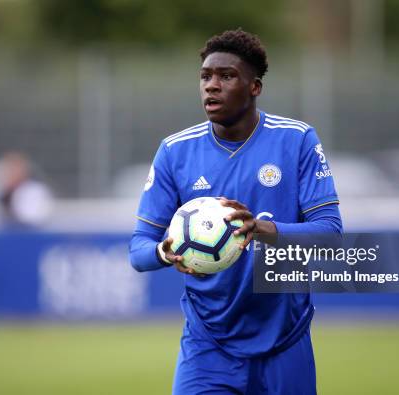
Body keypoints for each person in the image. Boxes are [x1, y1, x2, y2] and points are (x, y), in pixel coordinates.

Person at [129, 29, 342, 394]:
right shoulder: (175, 151)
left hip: (285, 341)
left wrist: (259, 229)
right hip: (208, 345)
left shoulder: (297, 140)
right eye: (205, 77)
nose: (211, 86)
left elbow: (330, 235)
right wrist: (165, 251)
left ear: (255, 87)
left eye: (226, 76)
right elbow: (138, 250)